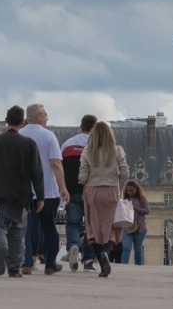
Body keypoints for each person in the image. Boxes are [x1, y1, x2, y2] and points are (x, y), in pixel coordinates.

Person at [0, 105, 43, 279]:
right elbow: (36, 171)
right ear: (23, 122)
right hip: (20, 194)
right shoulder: (28, 144)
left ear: (6, 120)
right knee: (18, 232)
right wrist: (40, 196)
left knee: (0, 226)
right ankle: (14, 267)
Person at [19, 102, 68, 275]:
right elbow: (55, 163)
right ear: (39, 116)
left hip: (25, 191)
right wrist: (63, 187)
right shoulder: (48, 136)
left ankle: (27, 262)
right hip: (47, 190)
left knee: (26, 228)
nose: (47, 118)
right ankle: (50, 263)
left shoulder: (19, 135)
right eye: (45, 115)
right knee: (49, 228)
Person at [79, 119, 128, 279]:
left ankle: (101, 261)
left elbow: (83, 177)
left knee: (93, 228)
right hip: (111, 190)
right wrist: (118, 184)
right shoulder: (117, 151)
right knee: (111, 228)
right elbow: (125, 172)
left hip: (92, 192)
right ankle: (107, 252)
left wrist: (84, 181)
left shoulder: (87, 151)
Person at [60, 113, 97, 272]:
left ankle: (73, 246)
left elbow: (59, 167)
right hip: (93, 191)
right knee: (91, 225)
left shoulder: (68, 145)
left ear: (81, 127)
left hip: (72, 190)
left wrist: (62, 188)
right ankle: (88, 260)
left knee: (73, 223)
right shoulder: (100, 146)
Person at [119, 180, 150, 264]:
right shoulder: (125, 199)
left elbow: (147, 210)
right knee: (126, 248)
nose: (130, 192)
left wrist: (135, 208)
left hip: (139, 227)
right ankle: (124, 267)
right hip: (127, 227)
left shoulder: (142, 198)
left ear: (136, 189)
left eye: (132, 190)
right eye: (128, 191)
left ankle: (138, 268)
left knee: (138, 249)